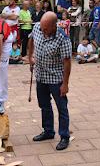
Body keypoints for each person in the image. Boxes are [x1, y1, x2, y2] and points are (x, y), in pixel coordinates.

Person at [28, 11, 72, 151]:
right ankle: (48, 131)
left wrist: (65, 84)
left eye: (46, 29)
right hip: (40, 76)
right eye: (42, 28)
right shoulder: (37, 28)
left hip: (56, 79)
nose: (43, 31)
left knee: (61, 108)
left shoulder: (63, 39)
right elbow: (31, 39)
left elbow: (67, 62)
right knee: (44, 105)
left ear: (55, 26)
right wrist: (30, 57)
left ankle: (65, 137)